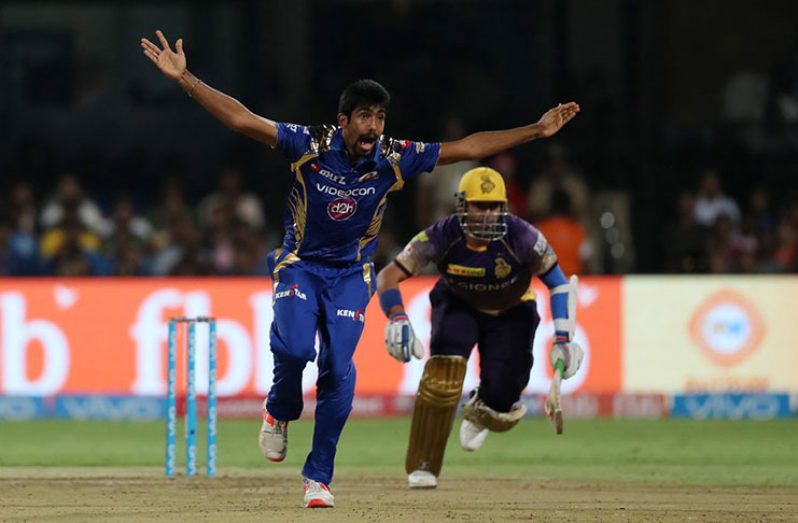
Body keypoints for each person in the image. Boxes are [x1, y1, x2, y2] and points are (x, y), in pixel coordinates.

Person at [141, 30, 580, 508]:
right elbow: (242, 119)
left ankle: (318, 478)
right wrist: (185, 78)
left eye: (380, 117)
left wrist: (535, 131)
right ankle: (280, 410)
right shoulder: (310, 143)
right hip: (300, 266)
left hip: (351, 275)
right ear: (343, 120)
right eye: (365, 116)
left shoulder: (395, 156)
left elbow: (468, 148)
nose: (374, 126)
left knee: (338, 368)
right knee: (294, 349)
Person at [376, 167, 584, 489]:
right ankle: (424, 462)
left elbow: (558, 283)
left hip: (513, 310)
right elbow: (389, 275)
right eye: (480, 206)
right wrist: (397, 317)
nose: (488, 214)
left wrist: (563, 338)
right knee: (442, 376)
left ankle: (483, 407)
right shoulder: (442, 234)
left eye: (494, 206)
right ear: (463, 205)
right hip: (458, 305)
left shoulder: (523, 236)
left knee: (503, 403)